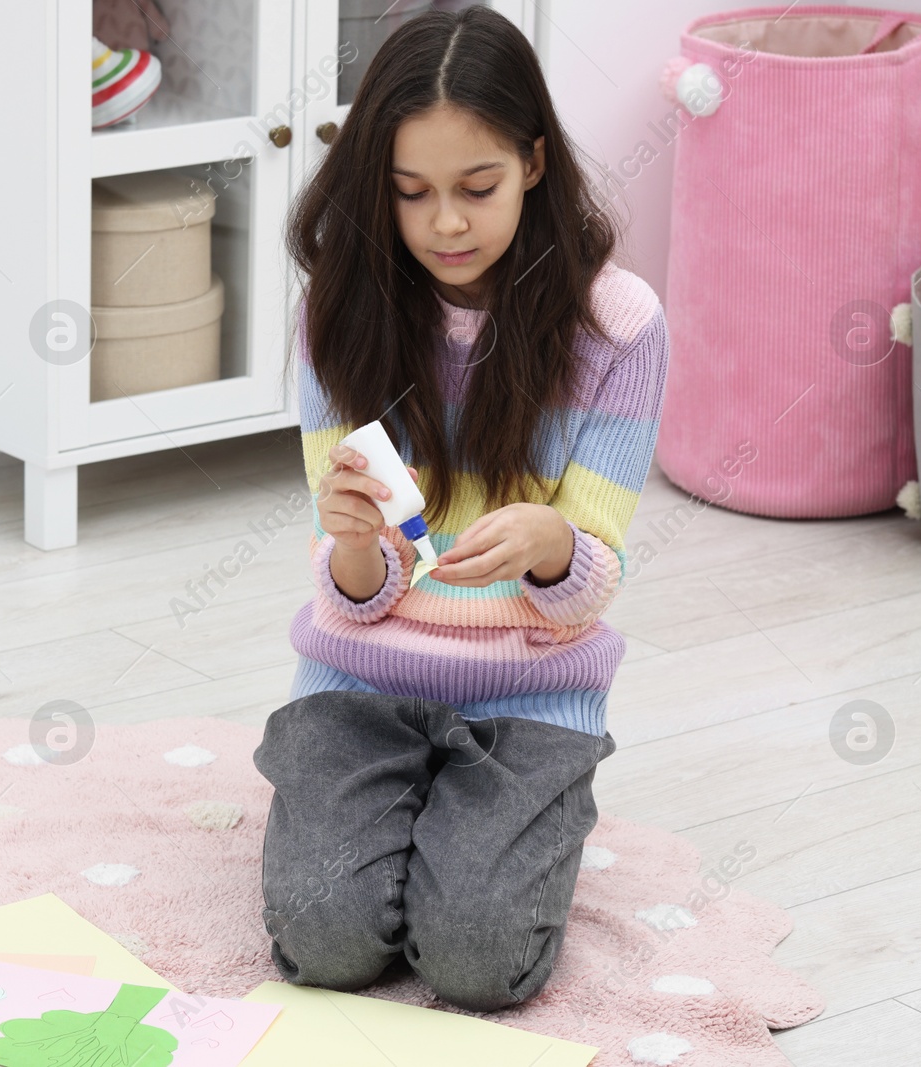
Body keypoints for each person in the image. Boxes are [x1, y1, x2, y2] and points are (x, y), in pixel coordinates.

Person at [253, 5, 669, 1013]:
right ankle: (399, 821)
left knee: (479, 961)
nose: (445, 222)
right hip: (357, 684)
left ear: (531, 161)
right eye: (410, 194)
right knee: (324, 939)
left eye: (476, 188)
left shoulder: (618, 328)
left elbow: (593, 574)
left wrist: (549, 542)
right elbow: (351, 594)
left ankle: (497, 823)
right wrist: (352, 544)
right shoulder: (338, 315)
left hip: (527, 698)